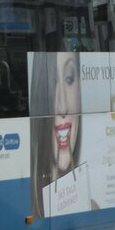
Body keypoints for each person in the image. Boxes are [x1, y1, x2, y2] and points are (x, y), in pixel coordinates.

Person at [29, 51, 82, 218]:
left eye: (69, 79)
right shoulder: (28, 208)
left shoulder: (92, 205)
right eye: (51, 84)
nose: (62, 106)